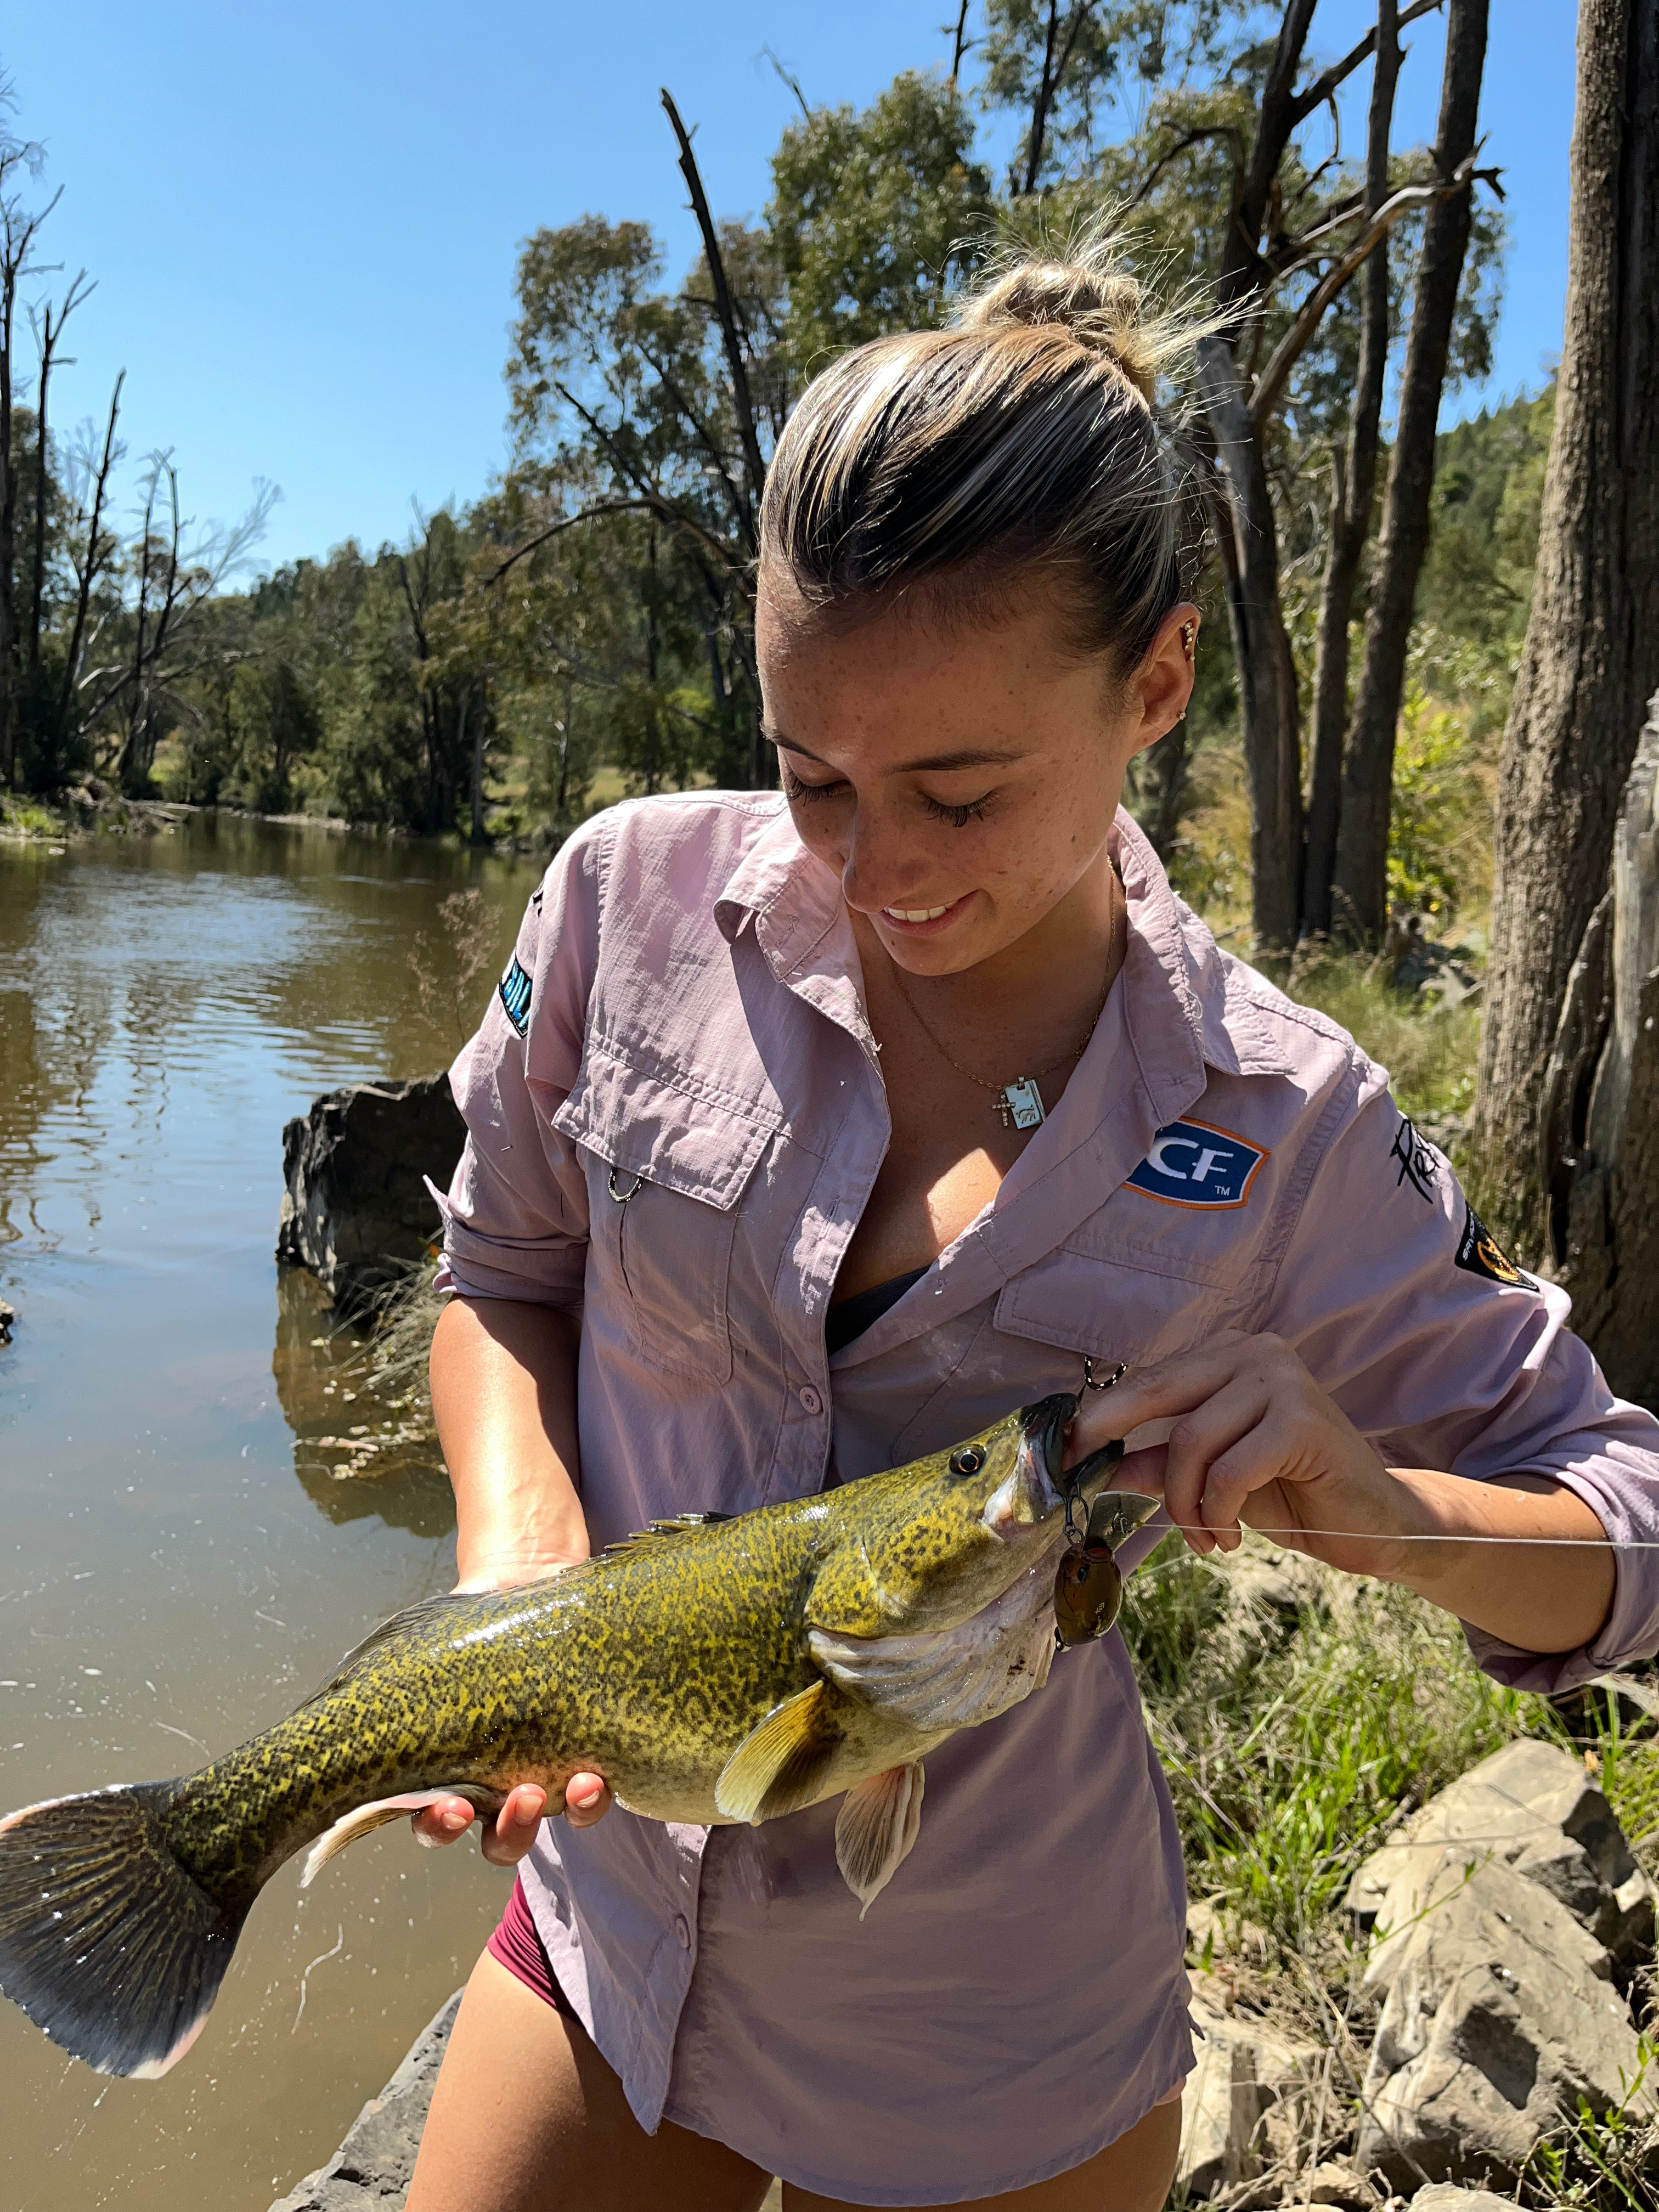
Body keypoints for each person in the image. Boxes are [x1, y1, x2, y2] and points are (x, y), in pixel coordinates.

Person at [401, 246, 1659, 2212]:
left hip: (995, 2042)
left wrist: (1358, 1498)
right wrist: (521, 1565)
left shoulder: (1287, 1120)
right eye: (814, 776)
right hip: (611, 1937)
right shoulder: (617, 906)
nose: (877, 865)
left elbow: (1624, 1528)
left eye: (961, 794)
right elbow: (501, 1274)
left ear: (1157, 682)